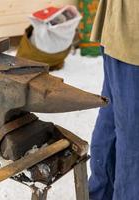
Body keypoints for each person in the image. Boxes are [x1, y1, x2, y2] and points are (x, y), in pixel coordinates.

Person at [89, 1, 139, 200]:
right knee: (133, 135)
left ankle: (99, 194)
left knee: (113, 119)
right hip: (131, 36)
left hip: (121, 32)